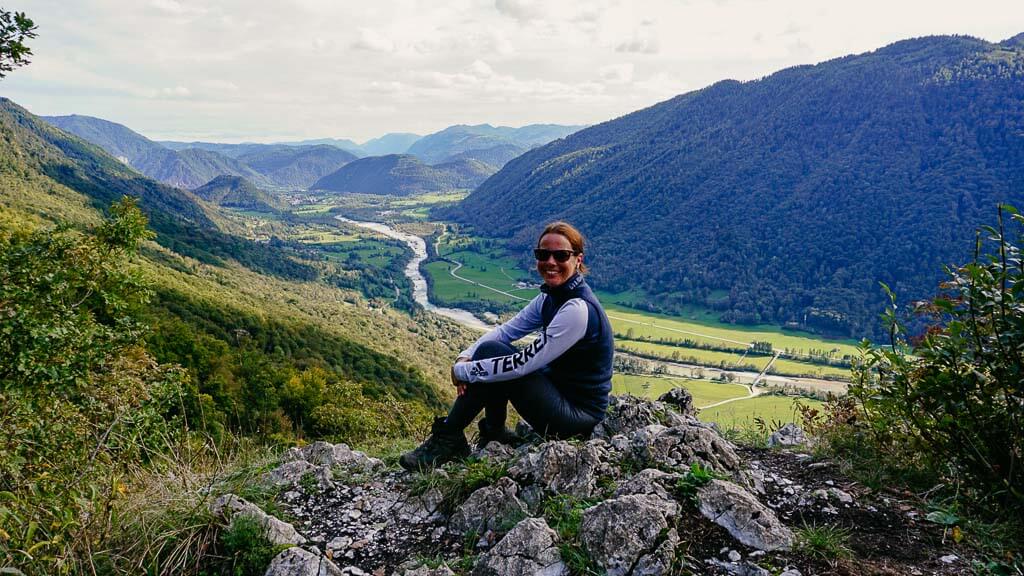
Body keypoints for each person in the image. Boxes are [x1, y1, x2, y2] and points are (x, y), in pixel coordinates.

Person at [399, 221, 614, 471]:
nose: (551, 261)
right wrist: (465, 357)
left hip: (576, 418)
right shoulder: (551, 297)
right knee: (490, 350)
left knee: (494, 357)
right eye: (543, 254)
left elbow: (522, 364)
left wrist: (464, 372)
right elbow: (506, 332)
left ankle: (451, 437)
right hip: (560, 395)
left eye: (561, 255)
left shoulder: (577, 309)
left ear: (578, 259)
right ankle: (492, 433)